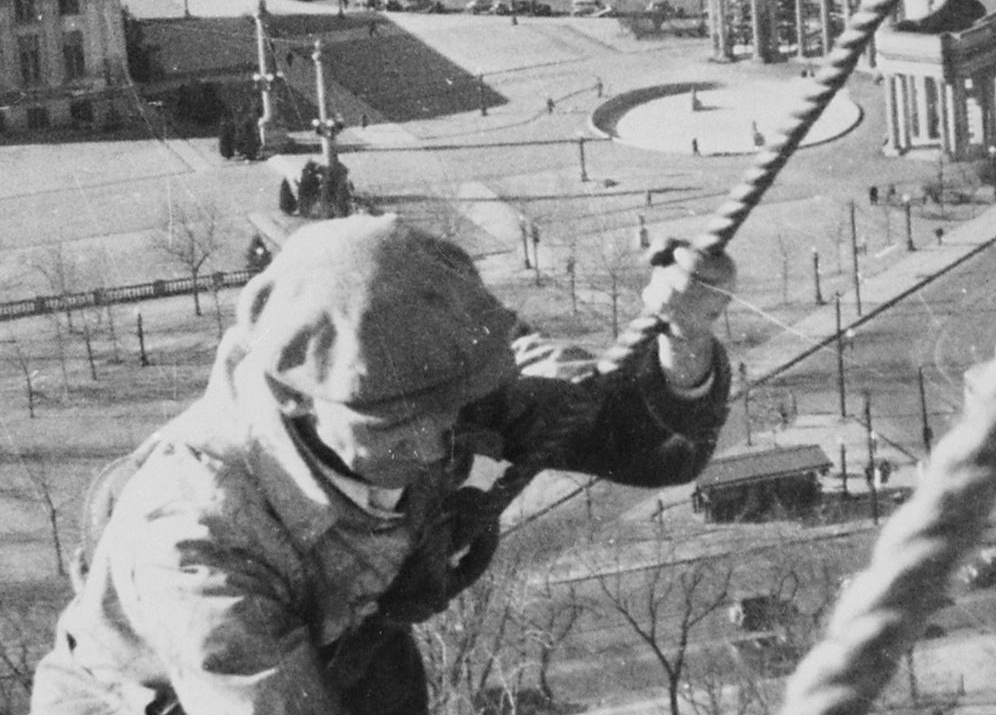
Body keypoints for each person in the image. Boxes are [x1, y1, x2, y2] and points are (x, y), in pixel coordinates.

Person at [32, 214, 737, 715]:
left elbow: (636, 439)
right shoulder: (198, 545)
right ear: (300, 402)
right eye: (398, 430)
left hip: (354, 662)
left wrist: (686, 337)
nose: (437, 448)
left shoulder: (423, 382)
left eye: (451, 411)